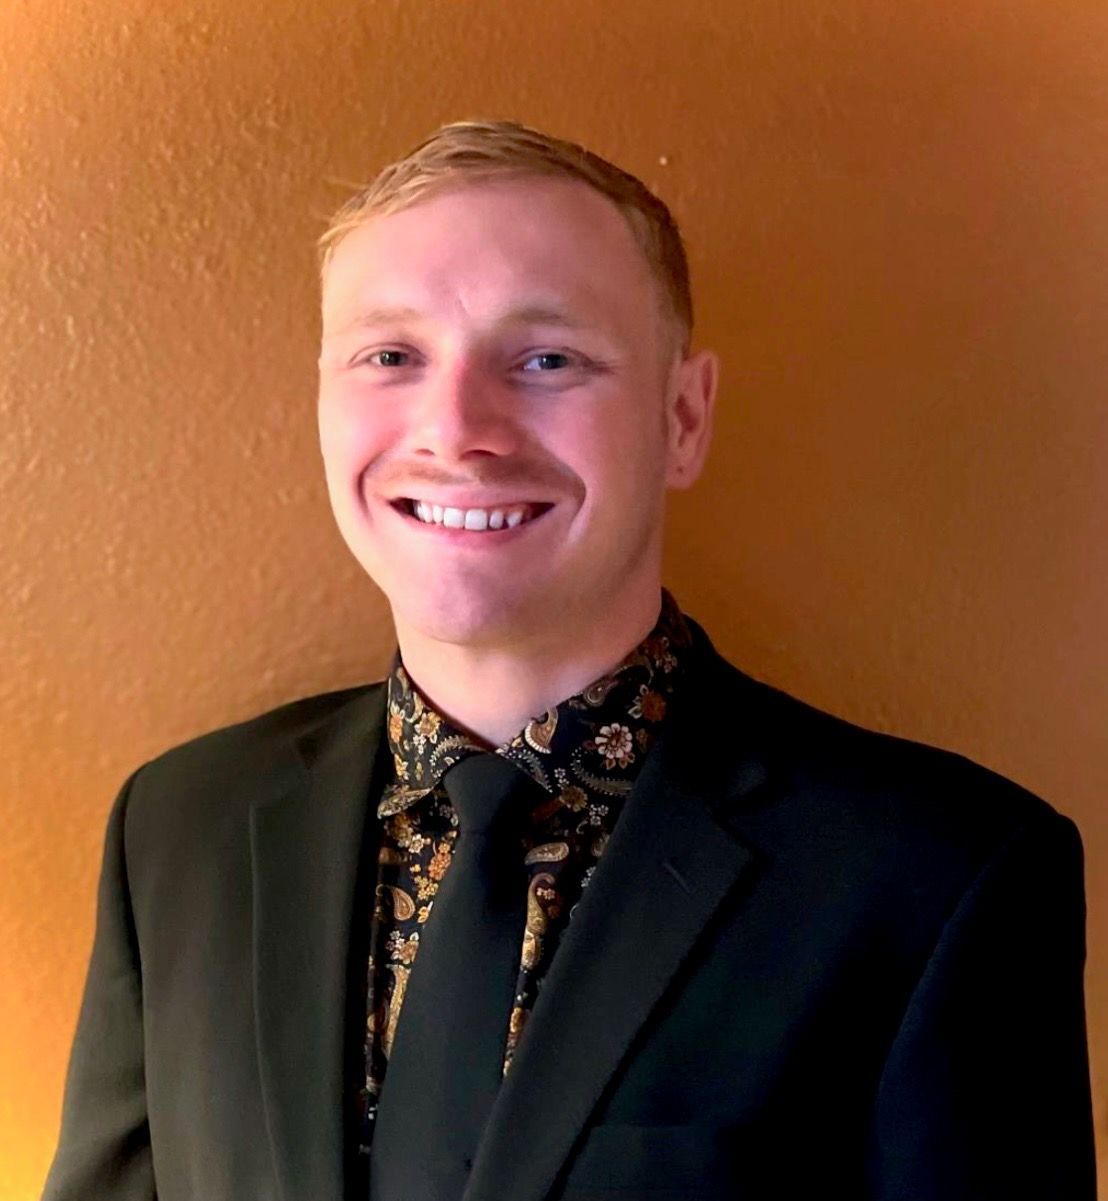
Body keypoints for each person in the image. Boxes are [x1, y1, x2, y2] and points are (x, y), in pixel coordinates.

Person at [44, 121, 1095, 1201]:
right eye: (390, 356)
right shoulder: (179, 828)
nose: (455, 429)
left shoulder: (941, 874)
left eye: (546, 359)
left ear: (682, 418)